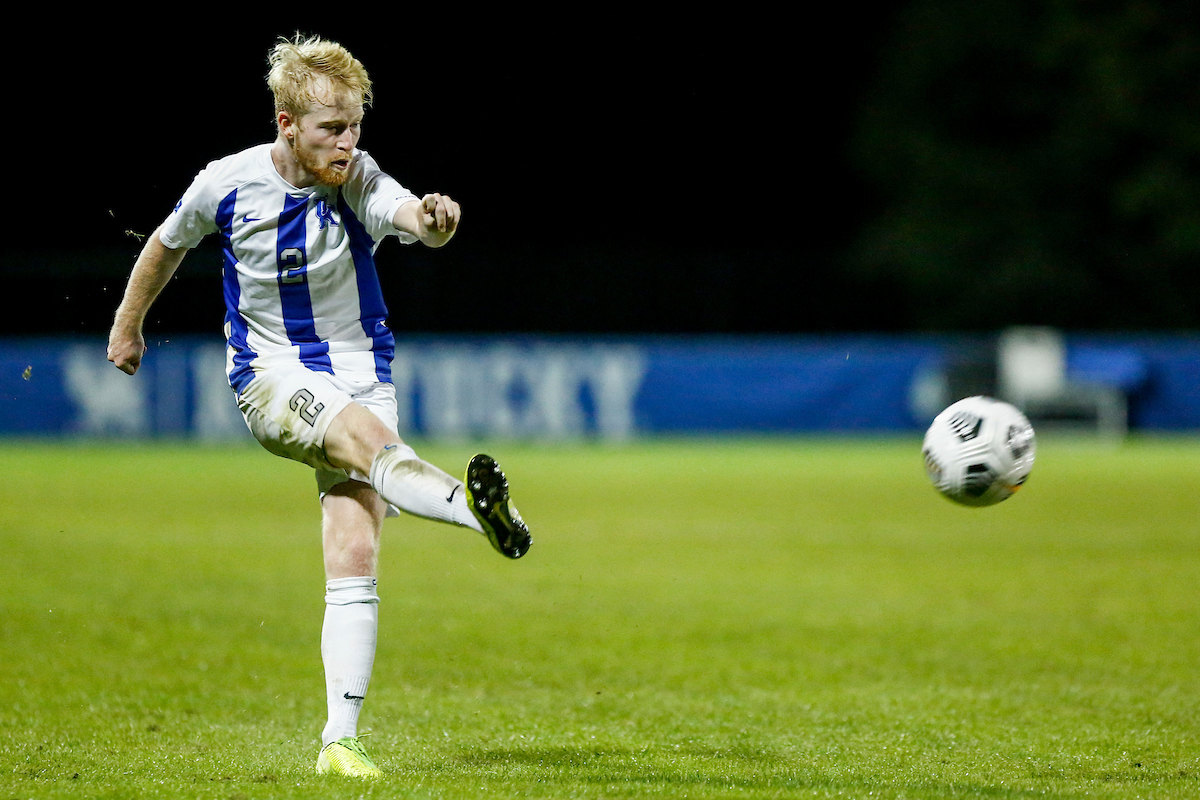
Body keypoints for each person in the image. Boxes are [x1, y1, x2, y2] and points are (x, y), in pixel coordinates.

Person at [106, 33, 532, 779]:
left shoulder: (357, 176)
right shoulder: (226, 182)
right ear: (287, 125)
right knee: (368, 443)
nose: (347, 142)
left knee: (354, 552)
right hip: (270, 376)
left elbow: (406, 215)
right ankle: (478, 513)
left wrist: (434, 221)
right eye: (332, 128)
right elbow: (167, 244)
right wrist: (127, 322)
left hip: (363, 373)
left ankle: (340, 740)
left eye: (356, 126)